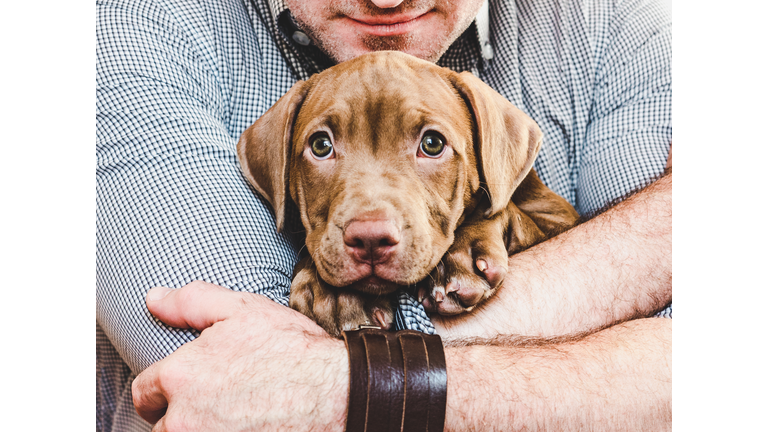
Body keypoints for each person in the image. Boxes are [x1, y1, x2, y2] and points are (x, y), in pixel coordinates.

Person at [96, 0, 671, 430]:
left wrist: (330, 382)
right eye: (322, 146)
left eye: (430, 144)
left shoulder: (611, 22)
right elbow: (226, 382)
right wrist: (662, 230)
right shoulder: (136, 30)